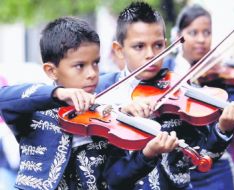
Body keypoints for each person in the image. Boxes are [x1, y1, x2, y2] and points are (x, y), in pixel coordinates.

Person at [0, 16, 180, 190]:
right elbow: (5, 97)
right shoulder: (34, 110)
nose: (92, 73)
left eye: (95, 63)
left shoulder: (106, 114)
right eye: (80, 65)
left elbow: (116, 180)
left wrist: (147, 154)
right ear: (51, 71)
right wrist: (59, 93)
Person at [96, 2, 234, 189]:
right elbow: (113, 179)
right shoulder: (105, 90)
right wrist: (119, 110)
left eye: (158, 45)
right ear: (119, 50)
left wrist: (223, 129)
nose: (150, 54)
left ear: (166, 45)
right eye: (139, 47)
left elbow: (203, 160)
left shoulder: (179, 88)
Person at [163, 4, 234, 190]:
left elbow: (231, 111)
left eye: (207, 33)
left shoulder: (218, 75)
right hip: (174, 170)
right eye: (193, 32)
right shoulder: (166, 71)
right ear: (178, 35)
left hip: (214, 167)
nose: (201, 39)